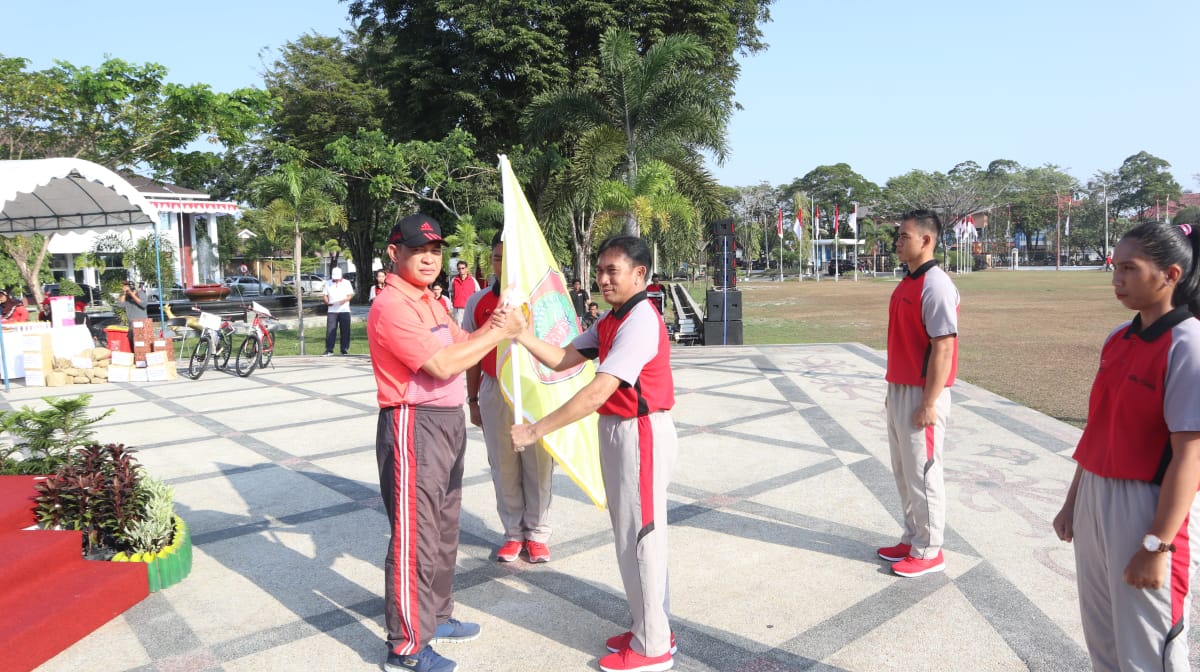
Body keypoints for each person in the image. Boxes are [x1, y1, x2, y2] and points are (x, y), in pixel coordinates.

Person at [510, 235, 678, 672]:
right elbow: (563, 359)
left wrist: (536, 430)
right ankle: (648, 623)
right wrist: (522, 335)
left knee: (640, 536)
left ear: (640, 274)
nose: (602, 279)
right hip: (621, 431)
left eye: (612, 271)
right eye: (600, 270)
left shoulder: (640, 320)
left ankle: (653, 647)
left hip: (639, 432)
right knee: (633, 534)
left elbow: (598, 390)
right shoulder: (612, 319)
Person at [369, 213, 525, 672]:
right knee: (415, 538)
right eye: (419, 250)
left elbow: (466, 345)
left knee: (444, 529)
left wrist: (495, 324)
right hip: (412, 422)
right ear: (395, 253)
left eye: (436, 251)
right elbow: (441, 364)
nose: (430, 259)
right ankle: (407, 645)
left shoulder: (431, 302)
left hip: (447, 421)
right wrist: (497, 332)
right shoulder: (391, 306)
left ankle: (436, 617)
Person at [1053, 221, 1200, 671]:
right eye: (1115, 267)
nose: (1117, 279)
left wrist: (1157, 545)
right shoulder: (1119, 337)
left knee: (1149, 646)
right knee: (1103, 637)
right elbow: (1097, 429)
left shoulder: (1187, 345)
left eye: (1130, 269)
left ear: (1170, 275)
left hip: (1145, 506)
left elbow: (1190, 457)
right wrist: (1073, 502)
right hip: (1095, 496)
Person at [877, 209, 959, 578]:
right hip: (900, 388)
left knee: (924, 473)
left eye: (904, 236)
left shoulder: (936, 285)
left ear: (927, 240)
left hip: (923, 393)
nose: (898, 241)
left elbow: (944, 347)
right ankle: (912, 536)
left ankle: (929, 549)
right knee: (903, 470)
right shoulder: (907, 282)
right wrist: (893, 392)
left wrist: (928, 402)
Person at [465, 233, 555, 564]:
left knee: (538, 463)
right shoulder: (478, 302)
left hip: (533, 390)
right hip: (493, 389)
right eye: (496, 257)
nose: (500, 264)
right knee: (502, 463)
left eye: (508, 258)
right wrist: (472, 399)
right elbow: (472, 353)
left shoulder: (541, 300)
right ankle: (513, 533)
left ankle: (538, 533)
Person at [323, 268, 355, 356]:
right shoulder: (328, 283)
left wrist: (345, 300)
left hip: (344, 310)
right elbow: (325, 295)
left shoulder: (346, 283)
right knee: (330, 330)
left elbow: (350, 294)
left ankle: (344, 349)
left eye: (337, 277)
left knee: (345, 330)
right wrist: (327, 302)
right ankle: (329, 349)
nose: (335, 279)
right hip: (332, 310)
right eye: (334, 277)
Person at [117, 281, 148, 351]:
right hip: (132, 324)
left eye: (127, 286)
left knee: (142, 344)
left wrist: (131, 294)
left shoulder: (140, 293)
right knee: (133, 344)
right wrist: (124, 293)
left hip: (142, 323)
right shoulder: (125, 297)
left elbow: (143, 304)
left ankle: (143, 359)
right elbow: (120, 305)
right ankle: (136, 359)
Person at [449, 260, 479, 326]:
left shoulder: (473, 280)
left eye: (463, 268)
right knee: (459, 327)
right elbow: (451, 292)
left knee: (470, 327)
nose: (461, 270)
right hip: (458, 309)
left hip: (469, 308)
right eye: (459, 268)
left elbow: (478, 293)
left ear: (466, 269)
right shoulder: (454, 280)